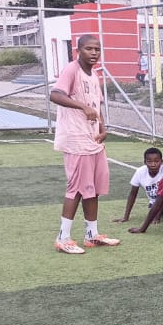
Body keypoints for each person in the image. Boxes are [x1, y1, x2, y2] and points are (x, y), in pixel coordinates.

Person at [49, 34, 119, 254]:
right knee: (76, 189)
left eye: (97, 49)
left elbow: (96, 105)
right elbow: (55, 95)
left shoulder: (94, 74)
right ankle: (63, 238)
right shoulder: (72, 70)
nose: (94, 53)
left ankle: (92, 235)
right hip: (76, 139)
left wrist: (102, 127)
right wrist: (82, 107)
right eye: (89, 49)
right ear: (78, 51)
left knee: (93, 189)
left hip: (92, 139)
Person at [113, 147, 163, 224]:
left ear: (161, 162)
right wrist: (126, 217)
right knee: (156, 209)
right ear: (145, 162)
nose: (153, 164)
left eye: (156, 161)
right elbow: (133, 194)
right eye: (149, 161)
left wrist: (157, 218)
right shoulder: (140, 172)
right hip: (155, 203)